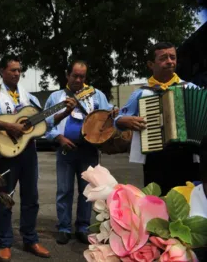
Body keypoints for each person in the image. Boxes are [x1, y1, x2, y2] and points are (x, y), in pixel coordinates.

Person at [0, 55, 50, 262]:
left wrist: (64, 111)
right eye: (12, 70)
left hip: (29, 153)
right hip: (6, 153)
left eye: (19, 70)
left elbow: (46, 122)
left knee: (31, 198)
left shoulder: (29, 98)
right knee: (6, 198)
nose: (17, 73)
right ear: (2, 71)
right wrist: (9, 126)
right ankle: (5, 242)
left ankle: (30, 239)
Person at [115, 42, 200, 195]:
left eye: (172, 57)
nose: (169, 61)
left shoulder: (191, 89)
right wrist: (124, 121)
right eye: (163, 58)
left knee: (187, 205)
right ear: (150, 64)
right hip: (155, 158)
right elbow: (119, 119)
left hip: (187, 157)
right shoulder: (141, 93)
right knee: (156, 204)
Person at [44, 60, 114, 245]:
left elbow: (107, 119)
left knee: (88, 191)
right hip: (65, 150)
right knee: (64, 190)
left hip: (89, 150)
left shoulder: (96, 95)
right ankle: (64, 228)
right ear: (67, 75)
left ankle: (83, 228)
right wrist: (59, 138)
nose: (78, 79)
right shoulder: (56, 97)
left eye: (82, 76)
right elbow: (46, 124)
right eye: (75, 75)